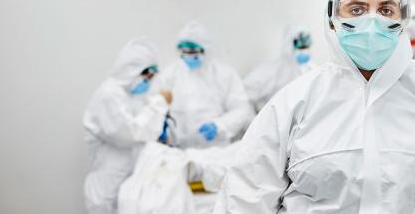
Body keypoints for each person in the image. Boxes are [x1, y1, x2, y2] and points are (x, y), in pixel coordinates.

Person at [214, 0, 415, 213]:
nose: (373, 21)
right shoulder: (296, 99)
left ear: (402, 19)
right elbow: (244, 199)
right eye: (356, 9)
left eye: (386, 9)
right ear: (332, 18)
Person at [83, 38, 172, 214]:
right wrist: (160, 103)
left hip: (126, 182)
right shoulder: (109, 95)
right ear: (133, 70)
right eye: (147, 77)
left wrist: (158, 132)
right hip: (106, 189)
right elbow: (130, 134)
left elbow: (141, 126)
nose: (148, 82)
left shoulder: (130, 95)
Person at [159, 21, 254, 149]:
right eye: (184, 52)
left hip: (216, 151)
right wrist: (161, 128)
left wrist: (219, 126)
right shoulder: (170, 75)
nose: (188, 56)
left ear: (205, 50)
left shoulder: (224, 75)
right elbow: (158, 107)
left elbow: (241, 109)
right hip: (179, 150)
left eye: (193, 52)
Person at [243, 26, 316, 112]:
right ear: (288, 44)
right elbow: (244, 93)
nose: (304, 50)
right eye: (300, 45)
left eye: (306, 45)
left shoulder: (311, 69)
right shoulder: (272, 70)